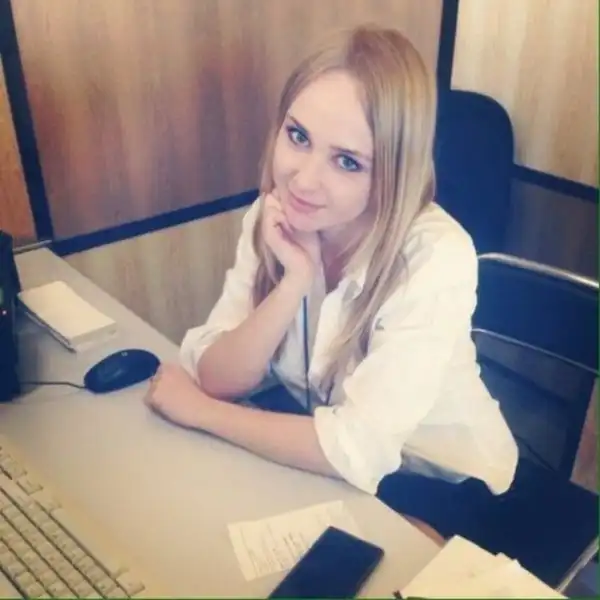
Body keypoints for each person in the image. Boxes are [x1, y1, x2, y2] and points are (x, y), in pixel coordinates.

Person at [144, 24, 519, 537]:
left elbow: (359, 449)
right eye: (298, 136)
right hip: (324, 452)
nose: (303, 180)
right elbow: (216, 376)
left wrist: (203, 413)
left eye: (347, 161)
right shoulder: (275, 217)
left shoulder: (435, 256)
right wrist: (292, 283)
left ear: (392, 172)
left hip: (439, 480)